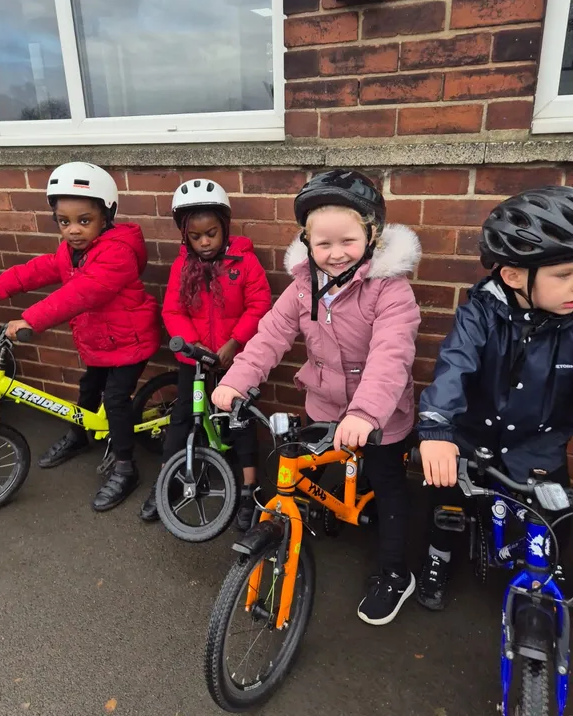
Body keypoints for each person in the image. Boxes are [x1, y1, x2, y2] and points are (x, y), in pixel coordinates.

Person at [212, 169, 422, 625]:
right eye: (322, 244)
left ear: (372, 234)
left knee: (388, 490)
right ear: (306, 242)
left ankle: (394, 573)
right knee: (317, 469)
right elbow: (270, 335)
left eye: (347, 240)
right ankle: (327, 512)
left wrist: (366, 412)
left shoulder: (390, 290)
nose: (335, 254)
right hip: (324, 407)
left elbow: (392, 353)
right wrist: (237, 379)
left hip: (381, 416)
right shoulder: (302, 288)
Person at [416, 185, 573, 611]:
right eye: (564, 275)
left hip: (537, 445)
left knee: (550, 528)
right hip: (473, 440)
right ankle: (439, 557)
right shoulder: (480, 312)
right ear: (513, 275)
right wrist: (435, 427)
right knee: (445, 500)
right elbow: (454, 365)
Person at [0, 162, 161, 512]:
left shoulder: (116, 254)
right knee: (88, 389)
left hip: (128, 342)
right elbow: (41, 269)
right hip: (98, 342)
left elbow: (80, 294)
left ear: (107, 216)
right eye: (64, 221)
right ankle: (79, 435)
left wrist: (30, 318)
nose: (73, 230)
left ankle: (125, 467)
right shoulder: (70, 251)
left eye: (84, 221)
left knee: (117, 400)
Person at [139, 178, 271, 529]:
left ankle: (249, 489)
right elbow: (173, 311)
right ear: (185, 236)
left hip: (235, 360)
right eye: (195, 236)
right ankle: (166, 482)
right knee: (183, 418)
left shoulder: (244, 262)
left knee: (239, 421)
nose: (204, 242)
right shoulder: (183, 267)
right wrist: (196, 346)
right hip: (195, 360)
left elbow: (259, 305)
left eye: (211, 233)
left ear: (224, 227)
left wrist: (234, 342)